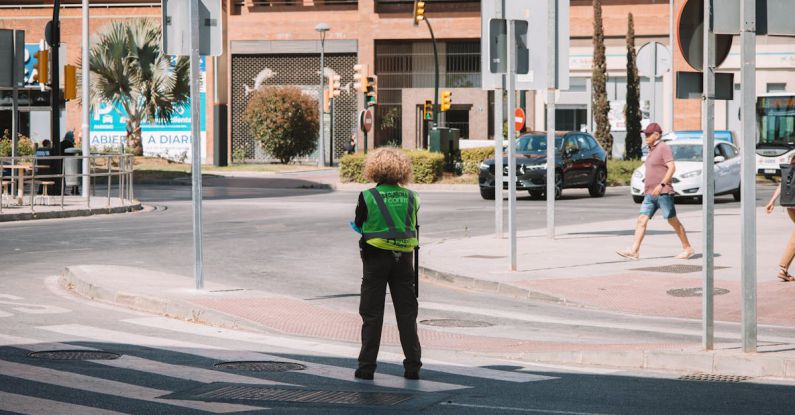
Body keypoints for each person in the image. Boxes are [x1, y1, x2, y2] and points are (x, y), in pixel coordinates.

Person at [351, 147, 422, 381]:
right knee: (407, 315)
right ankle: (412, 367)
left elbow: (359, 224)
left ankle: (366, 368)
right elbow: (412, 224)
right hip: (404, 260)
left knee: (372, 314)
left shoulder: (368, 196)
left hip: (376, 258)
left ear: (375, 168)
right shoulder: (412, 197)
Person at [617, 122, 694, 260]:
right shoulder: (651, 149)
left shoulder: (663, 147)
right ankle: (634, 251)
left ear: (657, 135)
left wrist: (662, 184)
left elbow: (672, 168)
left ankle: (687, 248)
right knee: (641, 220)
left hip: (664, 193)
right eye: (645, 134)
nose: (645, 136)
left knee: (672, 221)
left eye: (648, 134)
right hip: (650, 194)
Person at [765, 155, 795, 282]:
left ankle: (783, 269)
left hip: (790, 205)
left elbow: (783, 183)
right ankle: (783, 269)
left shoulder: (792, 164)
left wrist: (772, 201)